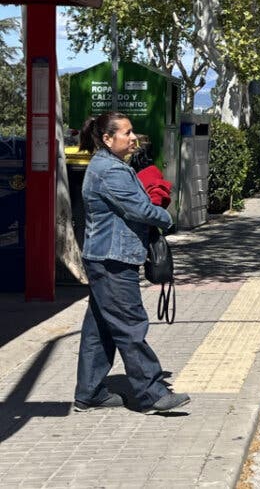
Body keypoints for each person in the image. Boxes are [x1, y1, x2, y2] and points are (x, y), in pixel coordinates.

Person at [73, 112, 190, 414]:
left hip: (105, 257)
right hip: (113, 260)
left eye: (132, 131)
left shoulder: (111, 166)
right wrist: (168, 219)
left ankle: (90, 393)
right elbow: (139, 209)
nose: (133, 137)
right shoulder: (110, 170)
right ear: (107, 139)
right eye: (126, 132)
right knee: (130, 326)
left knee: (100, 329)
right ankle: (152, 394)